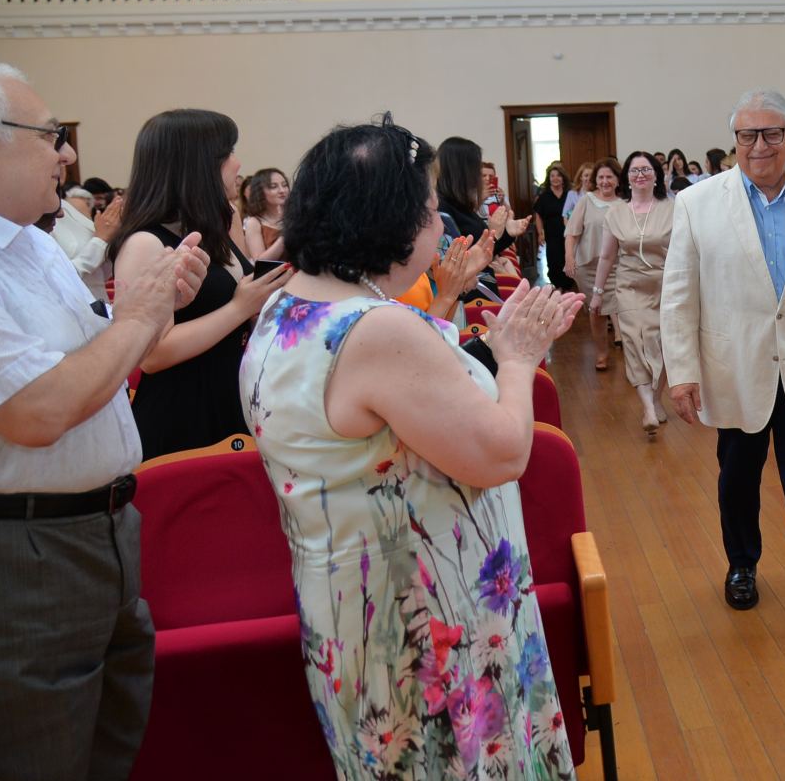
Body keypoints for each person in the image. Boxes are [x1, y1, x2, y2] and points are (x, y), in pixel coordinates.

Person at [239, 120, 581, 779]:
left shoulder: (287, 307)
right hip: (427, 626)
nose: (439, 225)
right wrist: (516, 359)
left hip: (358, 609)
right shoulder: (374, 327)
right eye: (428, 211)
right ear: (390, 222)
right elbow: (502, 453)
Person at [0, 63, 209, 780]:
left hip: (102, 531)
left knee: (107, 750)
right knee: (38, 757)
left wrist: (151, 310)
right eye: (49, 136)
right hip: (25, 553)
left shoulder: (36, 246)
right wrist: (140, 316)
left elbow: (95, 361)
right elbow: (36, 410)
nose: (67, 154)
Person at [661, 88, 785, 674]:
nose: (759, 145)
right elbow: (679, 296)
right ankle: (742, 561)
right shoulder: (700, 203)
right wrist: (682, 373)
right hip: (734, 369)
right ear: (735, 142)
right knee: (738, 478)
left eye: (772, 134)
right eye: (748, 135)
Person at [111, 109, 292, 460]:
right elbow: (151, 354)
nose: (238, 164)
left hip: (232, 392)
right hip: (182, 410)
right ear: (198, 164)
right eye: (228, 153)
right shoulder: (146, 243)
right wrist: (240, 307)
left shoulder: (224, 221)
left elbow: (243, 298)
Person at [591, 151, 676, 438]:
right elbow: (606, 257)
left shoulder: (672, 207)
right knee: (634, 342)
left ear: (656, 174)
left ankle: (656, 398)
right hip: (628, 285)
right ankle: (648, 409)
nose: (640, 175)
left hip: (664, 285)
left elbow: (685, 251)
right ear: (626, 177)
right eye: (634, 170)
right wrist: (597, 292)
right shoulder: (616, 212)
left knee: (661, 344)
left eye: (646, 169)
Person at [564, 158, 623, 370]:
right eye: (601, 177)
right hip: (589, 267)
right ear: (595, 180)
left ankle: (628, 347)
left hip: (618, 268)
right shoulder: (586, 201)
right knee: (596, 311)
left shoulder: (625, 203)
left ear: (617, 180)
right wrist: (569, 259)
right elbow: (571, 233)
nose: (605, 181)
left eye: (609, 177)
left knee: (622, 309)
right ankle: (601, 352)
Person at [439, 137, 528, 259]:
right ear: (461, 171)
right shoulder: (443, 208)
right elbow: (460, 263)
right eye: (476, 168)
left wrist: (508, 233)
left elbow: (489, 252)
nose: (479, 176)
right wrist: (494, 235)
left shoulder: (461, 203)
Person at [53, 183, 123, 295]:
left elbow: (101, 276)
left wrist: (111, 238)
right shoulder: (28, 220)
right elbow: (56, 279)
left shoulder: (68, 207)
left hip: (98, 301)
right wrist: (100, 241)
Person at [534, 161, 576, 291]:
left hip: (569, 232)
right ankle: (557, 285)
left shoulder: (570, 194)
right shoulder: (544, 196)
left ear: (563, 178)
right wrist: (540, 233)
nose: (555, 178)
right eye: (552, 176)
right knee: (554, 260)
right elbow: (538, 216)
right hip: (551, 233)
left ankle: (569, 284)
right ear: (549, 178)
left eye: (558, 175)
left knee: (568, 257)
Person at [239, 167, 289, 260]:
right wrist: (285, 236)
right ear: (260, 191)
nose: (282, 190)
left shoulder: (291, 215)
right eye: (273, 187)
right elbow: (260, 261)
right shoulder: (254, 222)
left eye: (285, 185)